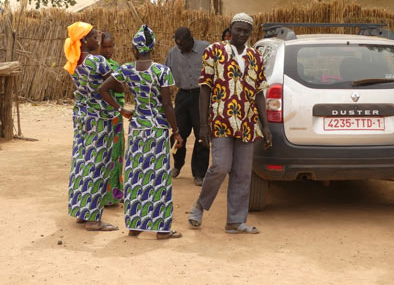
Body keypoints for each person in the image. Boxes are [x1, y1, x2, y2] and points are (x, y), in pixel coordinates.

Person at [188, 13, 272, 234]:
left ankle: (235, 221)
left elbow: (259, 93)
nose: (241, 34)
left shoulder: (255, 56)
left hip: (247, 122)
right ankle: (200, 205)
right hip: (221, 119)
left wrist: (265, 125)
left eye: (246, 31)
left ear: (250, 33)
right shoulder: (214, 51)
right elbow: (205, 87)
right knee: (220, 167)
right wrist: (204, 124)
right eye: (238, 30)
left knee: (243, 173)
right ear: (231, 29)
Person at [98, 25, 183, 239]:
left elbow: (103, 89)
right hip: (157, 130)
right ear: (152, 47)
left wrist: (121, 110)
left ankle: (136, 225)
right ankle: (162, 229)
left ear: (135, 49)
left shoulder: (126, 70)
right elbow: (167, 104)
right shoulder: (161, 71)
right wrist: (177, 131)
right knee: (159, 178)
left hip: (137, 129)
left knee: (137, 176)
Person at [63, 22, 118, 232]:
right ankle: (94, 219)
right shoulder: (98, 62)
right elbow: (114, 84)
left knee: (81, 163)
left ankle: (81, 212)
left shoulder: (74, 61)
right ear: (85, 40)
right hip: (99, 119)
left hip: (81, 117)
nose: (99, 39)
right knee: (98, 166)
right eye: (95, 36)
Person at [165, 27, 211, 185]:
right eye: (178, 45)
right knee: (177, 134)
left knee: (201, 136)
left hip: (201, 96)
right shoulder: (173, 53)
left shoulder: (206, 48)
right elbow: (165, 75)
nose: (180, 48)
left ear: (191, 39)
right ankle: (178, 164)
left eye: (183, 44)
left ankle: (199, 173)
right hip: (183, 95)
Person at [97, 32, 126, 207]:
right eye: (105, 47)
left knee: (117, 154)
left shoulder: (115, 65)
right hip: (105, 115)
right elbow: (119, 87)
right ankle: (105, 196)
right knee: (105, 155)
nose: (108, 50)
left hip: (117, 116)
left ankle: (116, 192)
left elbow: (121, 89)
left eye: (110, 46)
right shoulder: (99, 65)